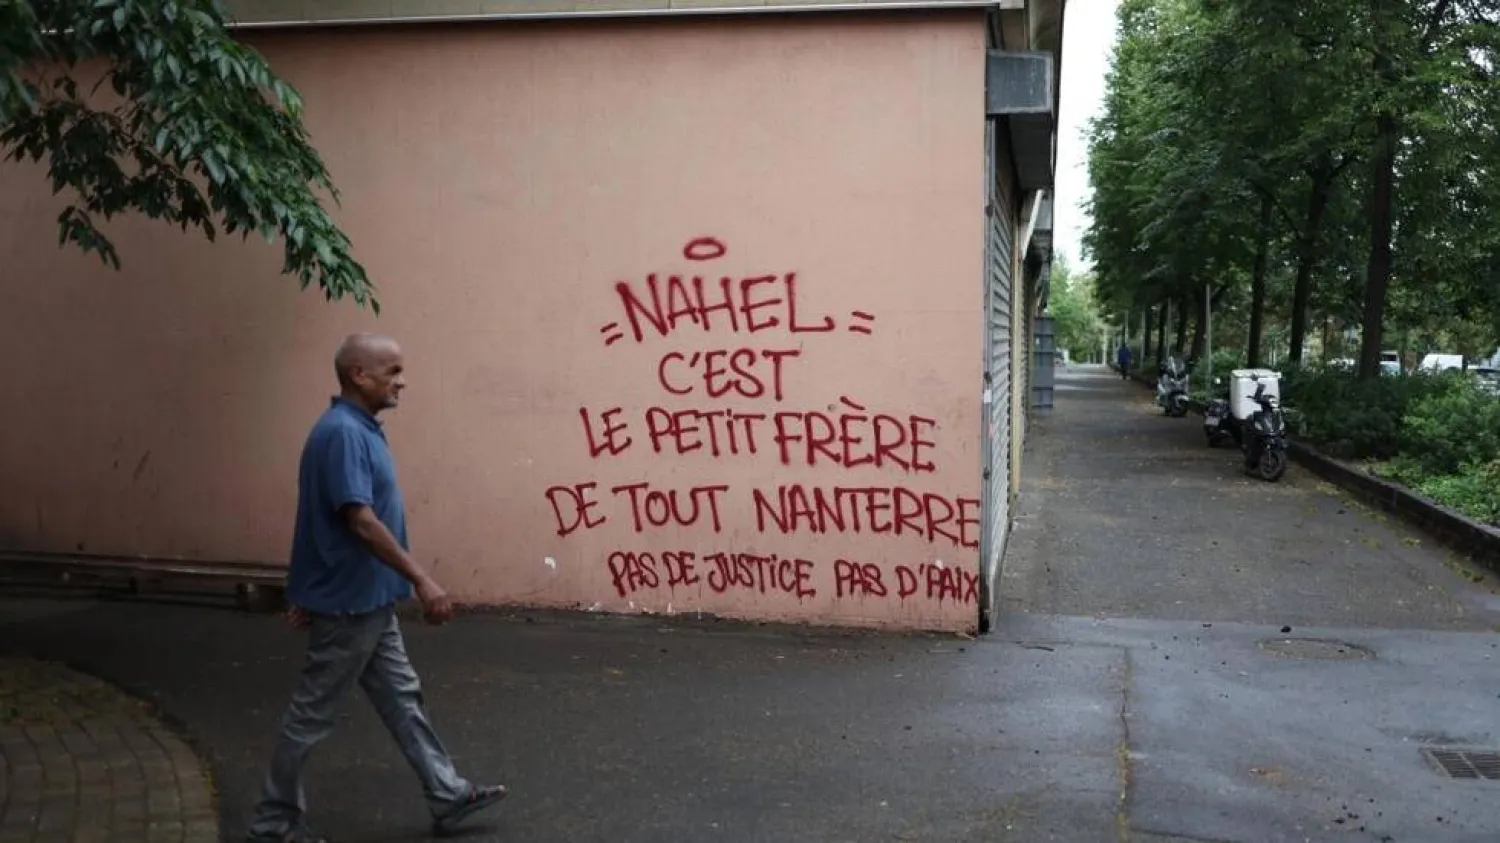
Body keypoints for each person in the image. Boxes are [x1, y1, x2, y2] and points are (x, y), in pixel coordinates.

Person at [247, 333, 505, 843]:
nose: (401, 381)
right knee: (312, 714)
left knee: (402, 698)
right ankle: (274, 821)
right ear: (358, 375)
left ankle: (446, 792)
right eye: (392, 371)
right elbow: (358, 521)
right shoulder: (343, 434)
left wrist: (301, 590)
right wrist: (423, 579)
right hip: (349, 606)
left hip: (369, 599)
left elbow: (314, 519)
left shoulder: (358, 429)